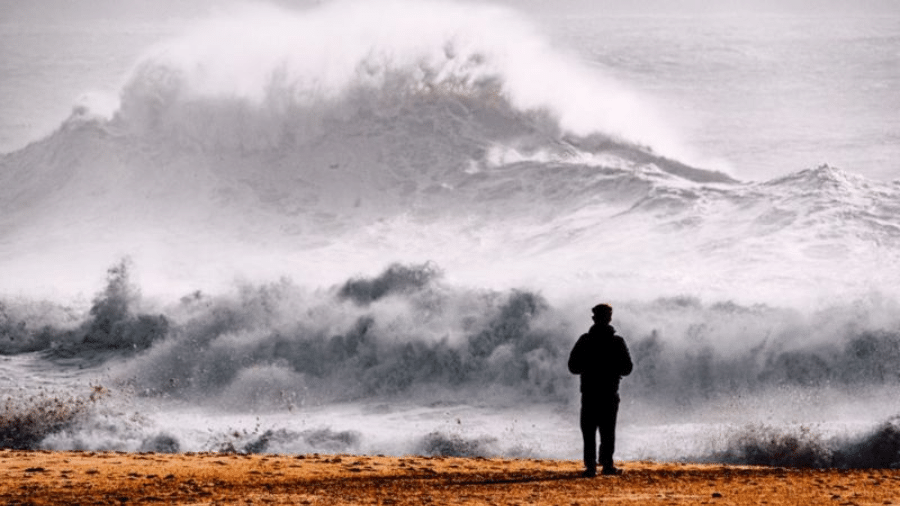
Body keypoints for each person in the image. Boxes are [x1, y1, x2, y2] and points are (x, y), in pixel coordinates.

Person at [568, 303, 633, 477]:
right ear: (609, 318)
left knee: (589, 432)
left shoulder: (585, 340)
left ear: (593, 318)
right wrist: (611, 368)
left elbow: (573, 367)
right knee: (607, 431)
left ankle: (590, 467)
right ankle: (607, 466)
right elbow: (627, 369)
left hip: (589, 393)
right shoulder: (617, 342)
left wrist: (589, 366)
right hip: (609, 393)